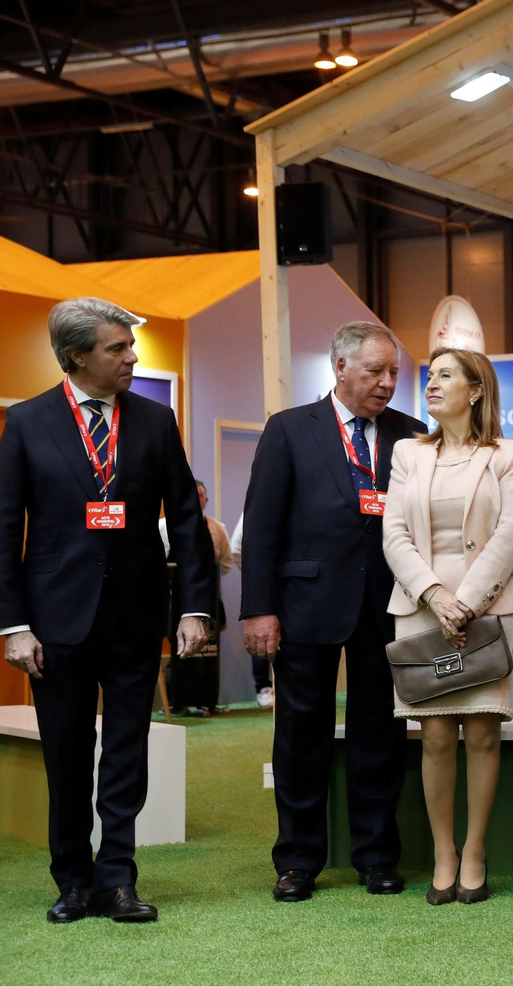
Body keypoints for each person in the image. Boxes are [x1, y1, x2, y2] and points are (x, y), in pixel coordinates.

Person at [0, 297, 215, 923]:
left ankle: (118, 876)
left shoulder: (153, 419)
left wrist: (195, 605)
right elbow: (6, 525)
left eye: (129, 345)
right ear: (77, 357)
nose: (132, 357)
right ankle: (71, 878)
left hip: (135, 616)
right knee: (66, 753)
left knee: (128, 749)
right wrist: (13, 624)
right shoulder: (28, 423)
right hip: (53, 623)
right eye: (117, 348)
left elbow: (185, 515)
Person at [241, 321, 427, 903]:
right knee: (300, 735)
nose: (387, 383)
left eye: (394, 372)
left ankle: (376, 857)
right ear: (340, 367)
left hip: (388, 605)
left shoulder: (412, 435)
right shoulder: (290, 429)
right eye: (375, 370)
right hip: (305, 604)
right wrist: (258, 610)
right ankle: (297, 860)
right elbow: (264, 528)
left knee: (380, 733)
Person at [384, 347, 513, 906]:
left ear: (475, 390)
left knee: (483, 733)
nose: (431, 384)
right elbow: (394, 534)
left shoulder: (508, 454)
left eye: (445, 375)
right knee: (436, 736)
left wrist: (465, 602)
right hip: (420, 605)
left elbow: (509, 533)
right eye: (429, 376)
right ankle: (443, 853)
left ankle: (474, 852)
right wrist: (436, 596)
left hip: (487, 609)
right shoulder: (407, 454)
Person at [161, 480, 230, 716]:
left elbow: (225, 562)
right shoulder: (161, 526)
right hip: (172, 600)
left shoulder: (217, 527)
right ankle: (177, 702)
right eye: (193, 494)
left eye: (201, 495)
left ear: (206, 500)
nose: (197, 499)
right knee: (180, 652)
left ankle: (207, 701)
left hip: (207, 598)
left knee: (207, 652)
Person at [230, 515, 274, 707]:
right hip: (264, 582)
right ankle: (263, 688)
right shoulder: (258, 504)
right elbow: (235, 548)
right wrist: (254, 573)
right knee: (261, 632)